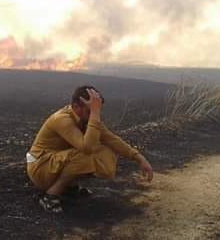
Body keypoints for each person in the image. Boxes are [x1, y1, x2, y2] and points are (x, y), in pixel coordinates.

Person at [26, 85, 154, 213]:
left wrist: (139, 158)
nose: (95, 114)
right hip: (40, 168)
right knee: (86, 155)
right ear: (76, 107)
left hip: (53, 164)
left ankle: (68, 187)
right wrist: (95, 114)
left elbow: (111, 139)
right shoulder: (62, 119)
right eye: (90, 110)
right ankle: (50, 195)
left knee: (104, 152)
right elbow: (87, 148)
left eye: (96, 110)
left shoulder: (86, 119)